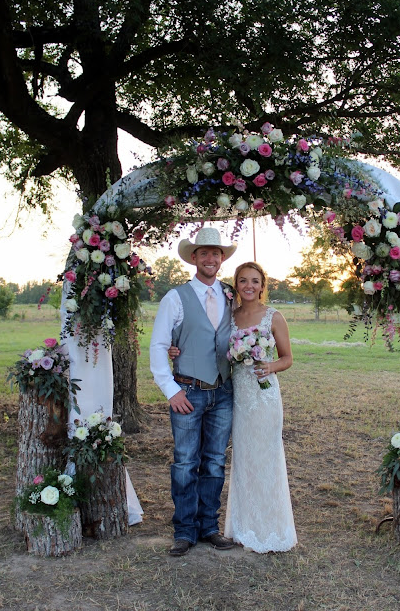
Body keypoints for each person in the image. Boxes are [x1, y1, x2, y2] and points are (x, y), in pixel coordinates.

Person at [149, 227, 237, 557]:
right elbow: (159, 345)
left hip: (223, 392)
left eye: (216, 253)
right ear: (194, 258)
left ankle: (209, 527)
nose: (211, 258)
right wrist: (170, 390)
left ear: (222, 258)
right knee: (186, 462)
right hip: (187, 391)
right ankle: (184, 531)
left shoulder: (231, 295)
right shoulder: (175, 297)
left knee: (214, 462)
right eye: (204, 253)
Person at [224, 262, 297, 553]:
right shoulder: (229, 317)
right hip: (239, 398)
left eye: (255, 281)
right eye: (243, 281)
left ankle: (272, 528)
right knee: (244, 459)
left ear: (263, 285)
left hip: (265, 398)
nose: (249, 286)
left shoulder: (273, 317)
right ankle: (244, 525)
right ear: (237, 285)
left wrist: (270, 366)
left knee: (267, 458)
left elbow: (287, 358)